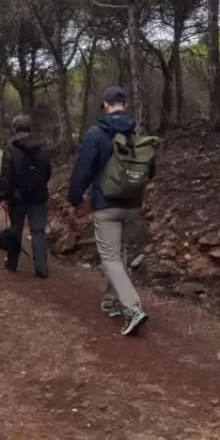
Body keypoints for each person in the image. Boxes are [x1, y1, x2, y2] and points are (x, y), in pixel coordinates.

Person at [68, 86, 156, 336]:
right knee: (121, 255)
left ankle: (132, 309)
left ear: (106, 105)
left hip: (106, 204)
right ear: (124, 105)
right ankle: (112, 301)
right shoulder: (137, 131)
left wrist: (75, 198)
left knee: (110, 257)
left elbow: (84, 168)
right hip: (132, 203)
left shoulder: (96, 133)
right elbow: (151, 169)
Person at [0, 114, 52, 278]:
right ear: (30, 128)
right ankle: (41, 267)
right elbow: (47, 172)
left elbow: (6, 175)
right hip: (39, 196)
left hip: (17, 198)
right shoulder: (42, 148)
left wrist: (4, 196)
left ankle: (12, 264)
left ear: (15, 129)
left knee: (16, 230)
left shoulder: (10, 149)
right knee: (38, 231)